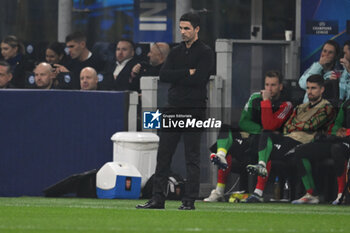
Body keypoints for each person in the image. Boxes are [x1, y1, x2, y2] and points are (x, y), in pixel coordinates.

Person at [136, 12, 215, 210]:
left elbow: (200, 79)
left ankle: (189, 201)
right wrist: (186, 73)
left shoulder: (205, 52)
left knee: (192, 157)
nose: (183, 32)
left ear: (197, 29)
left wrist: (180, 76)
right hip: (172, 108)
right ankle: (157, 199)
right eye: (181, 28)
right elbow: (164, 75)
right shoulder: (176, 51)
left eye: (187, 28)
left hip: (194, 109)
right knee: (163, 155)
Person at [204, 71, 293, 202]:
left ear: (280, 86)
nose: (269, 89)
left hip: (273, 143)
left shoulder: (286, 104)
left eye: (273, 85)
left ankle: (258, 193)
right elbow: (243, 122)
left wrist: (266, 101)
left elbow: (270, 125)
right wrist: (259, 130)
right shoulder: (255, 97)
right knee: (226, 129)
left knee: (266, 136)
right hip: (253, 138)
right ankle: (219, 188)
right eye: (267, 85)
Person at [246, 74, 335, 202]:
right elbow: (287, 126)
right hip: (288, 138)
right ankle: (261, 169)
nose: (310, 91)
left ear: (322, 90)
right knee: (265, 134)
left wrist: (297, 126)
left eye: (313, 88)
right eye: (308, 88)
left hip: (303, 141)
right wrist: (298, 126)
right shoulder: (300, 107)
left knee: (268, 151)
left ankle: (259, 190)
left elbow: (311, 125)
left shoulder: (327, 106)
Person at [290, 98, 350, 204]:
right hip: (340, 140)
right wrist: (337, 131)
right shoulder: (347, 103)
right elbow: (337, 124)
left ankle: (341, 195)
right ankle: (311, 194)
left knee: (337, 149)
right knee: (301, 151)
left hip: (344, 144)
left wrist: (347, 132)